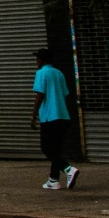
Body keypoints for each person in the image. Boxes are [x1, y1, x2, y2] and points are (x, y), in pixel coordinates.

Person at [34, 48, 78, 190]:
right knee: (56, 149)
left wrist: (33, 115)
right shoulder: (59, 73)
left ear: (42, 60)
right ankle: (53, 180)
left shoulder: (41, 73)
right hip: (63, 116)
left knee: (46, 147)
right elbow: (65, 94)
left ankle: (68, 169)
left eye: (37, 58)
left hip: (49, 117)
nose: (36, 61)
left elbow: (40, 95)